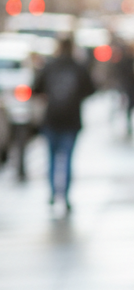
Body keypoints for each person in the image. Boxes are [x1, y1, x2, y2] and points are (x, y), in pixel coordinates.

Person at [32, 35, 95, 212]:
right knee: (67, 158)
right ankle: (65, 195)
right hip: (71, 119)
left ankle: (53, 192)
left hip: (52, 118)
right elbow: (90, 89)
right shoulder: (78, 67)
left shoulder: (50, 66)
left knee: (52, 158)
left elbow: (36, 88)